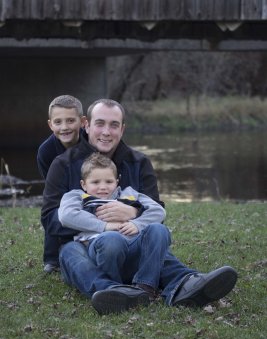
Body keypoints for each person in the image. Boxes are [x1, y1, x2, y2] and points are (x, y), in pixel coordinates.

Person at [41, 98, 238, 315]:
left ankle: (185, 284)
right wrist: (100, 221)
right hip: (82, 245)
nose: (106, 131)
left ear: (122, 129)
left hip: (130, 240)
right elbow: (50, 218)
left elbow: (156, 212)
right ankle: (113, 292)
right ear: (86, 125)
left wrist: (134, 213)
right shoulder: (63, 164)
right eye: (100, 123)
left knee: (152, 243)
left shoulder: (139, 162)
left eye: (114, 125)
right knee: (71, 254)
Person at [58, 152, 171, 313]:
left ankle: (145, 288)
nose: (103, 187)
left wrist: (137, 223)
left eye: (109, 181)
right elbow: (66, 216)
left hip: (131, 247)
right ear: (84, 184)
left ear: (117, 182)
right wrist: (105, 226)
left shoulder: (128, 195)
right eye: (95, 182)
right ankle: (113, 291)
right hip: (96, 248)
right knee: (109, 240)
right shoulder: (77, 196)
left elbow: (158, 211)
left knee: (160, 230)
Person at [37, 95, 86, 273]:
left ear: (82, 122)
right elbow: (51, 188)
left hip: (91, 185)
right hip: (61, 190)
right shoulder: (46, 151)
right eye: (58, 122)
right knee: (57, 208)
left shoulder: (92, 141)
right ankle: (51, 258)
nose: (64, 127)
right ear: (50, 124)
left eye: (70, 121)